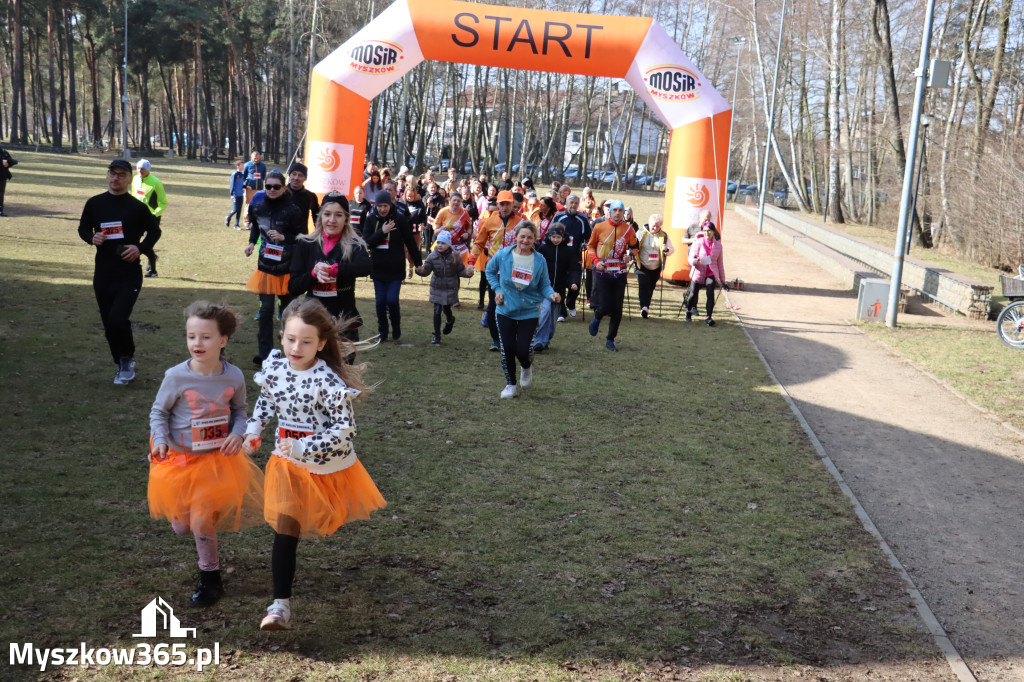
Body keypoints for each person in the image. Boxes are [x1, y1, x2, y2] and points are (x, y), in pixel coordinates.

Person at [243, 298, 386, 631]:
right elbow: (266, 402)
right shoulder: (275, 366)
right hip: (286, 463)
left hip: (324, 465)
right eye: (291, 339)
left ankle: (282, 601)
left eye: (306, 341)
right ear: (281, 336)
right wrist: (254, 431)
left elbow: (344, 432)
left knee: (325, 520)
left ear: (321, 343)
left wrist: (302, 445)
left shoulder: (329, 383)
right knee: (286, 528)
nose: (297, 347)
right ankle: (280, 606)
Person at [147, 301, 264, 608]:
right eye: (191, 336)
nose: (197, 343)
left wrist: (238, 433)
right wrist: (160, 440)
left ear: (222, 340)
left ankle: (210, 578)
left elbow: (239, 411)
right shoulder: (176, 376)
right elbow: (158, 412)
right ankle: (182, 513)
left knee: (201, 519)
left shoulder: (234, 376)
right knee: (182, 527)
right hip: (178, 457)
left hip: (216, 461)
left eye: (206, 337)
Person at [78, 159, 161, 384]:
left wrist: (140, 248)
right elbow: (83, 228)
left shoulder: (137, 207)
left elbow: (155, 232)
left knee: (117, 318)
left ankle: (126, 359)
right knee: (109, 322)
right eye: (112, 173)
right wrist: (91, 237)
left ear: (128, 178)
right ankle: (121, 361)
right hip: (103, 273)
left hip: (129, 274)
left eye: (121, 175)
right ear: (107, 176)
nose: (116, 178)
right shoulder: (95, 203)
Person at [485, 221, 560, 398]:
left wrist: (552, 295)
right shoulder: (504, 255)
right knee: (508, 349)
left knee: (523, 350)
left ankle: (526, 367)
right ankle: (510, 384)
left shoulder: (539, 260)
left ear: (535, 239)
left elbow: (545, 285)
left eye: (529, 237)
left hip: (530, 310)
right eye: (522, 236)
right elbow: (489, 270)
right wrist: (497, 289)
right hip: (506, 309)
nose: (525, 240)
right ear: (516, 237)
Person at [289, 192, 371, 341]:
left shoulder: (354, 244)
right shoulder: (305, 243)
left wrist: (338, 269)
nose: (332, 220)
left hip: (344, 321)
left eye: (338, 215)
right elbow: (294, 287)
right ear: (320, 216)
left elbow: (366, 267)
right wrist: (313, 274)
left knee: (342, 364)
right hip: (313, 320)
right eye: (327, 214)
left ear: (346, 218)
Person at [244, 170, 304, 365]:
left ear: (283, 188)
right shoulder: (258, 208)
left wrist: (284, 238)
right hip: (266, 267)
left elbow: (303, 236)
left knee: (288, 313)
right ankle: (265, 355)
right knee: (266, 311)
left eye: (276, 187)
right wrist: (252, 243)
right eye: (268, 186)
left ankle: (290, 353)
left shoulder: (293, 210)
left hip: (287, 267)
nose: (271, 189)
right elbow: (256, 227)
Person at [361, 189, 422, 341]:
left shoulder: (399, 219)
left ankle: (396, 327)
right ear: (376, 206)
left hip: (395, 269)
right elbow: (366, 242)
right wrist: (382, 231)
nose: (382, 209)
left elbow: (410, 242)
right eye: (380, 206)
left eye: (385, 206)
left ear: (390, 205)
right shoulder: (371, 219)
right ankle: (382, 332)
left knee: (392, 300)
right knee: (380, 302)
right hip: (378, 268)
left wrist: (418, 263)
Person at [472, 190, 526, 351]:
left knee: (515, 304)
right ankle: (496, 339)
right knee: (496, 303)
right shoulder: (489, 222)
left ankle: (512, 337)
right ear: (498, 205)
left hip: (516, 269)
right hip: (494, 269)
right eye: (501, 204)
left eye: (507, 204)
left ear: (512, 204)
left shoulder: (522, 222)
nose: (504, 207)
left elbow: (530, 243)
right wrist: (470, 261)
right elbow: (478, 243)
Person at [587, 200, 638, 351]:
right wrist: (596, 261)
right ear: (609, 212)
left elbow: (635, 247)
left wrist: (630, 256)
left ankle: (610, 339)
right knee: (604, 306)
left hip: (620, 272)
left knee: (617, 308)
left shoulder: (628, 229)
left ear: (623, 213)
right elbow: (590, 246)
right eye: (614, 210)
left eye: (620, 211)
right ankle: (597, 317)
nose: (617, 213)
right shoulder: (599, 226)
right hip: (602, 271)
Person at [416, 231, 474, 344]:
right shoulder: (432, 256)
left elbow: (460, 270)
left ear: (449, 244)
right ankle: (437, 336)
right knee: (437, 311)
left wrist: (467, 273)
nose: (440, 245)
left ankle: (450, 320)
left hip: (450, 287)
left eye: (443, 243)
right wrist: (420, 271)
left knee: (446, 308)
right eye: (438, 242)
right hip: (437, 286)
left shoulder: (455, 256)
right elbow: (426, 270)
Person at [534, 225, 580, 351]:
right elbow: (535, 266)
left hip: (559, 289)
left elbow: (574, 269)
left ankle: (546, 339)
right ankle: (539, 340)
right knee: (546, 311)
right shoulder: (542, 249)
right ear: (549, 236)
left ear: (563, 237)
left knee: (553, 318)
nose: (555, 239)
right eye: (553, 237)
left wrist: (574, 282)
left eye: (558, 237)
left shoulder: (569, 251)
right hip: (544, 289)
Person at [551, 194, 591, 319]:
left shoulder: (582, 219)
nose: (573, 205)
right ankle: (561, 311)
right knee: (559, 283)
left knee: (575, 284)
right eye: (571, 202)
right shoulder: (559, 216)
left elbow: (589, 238)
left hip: (575, 256)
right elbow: (550, 233)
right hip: (560, 255)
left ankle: (570, 302)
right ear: (566, 204)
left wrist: (585, 245)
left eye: (575, 203)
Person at [131, 159, 168, 278]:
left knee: (147, 244)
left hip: (152, 218)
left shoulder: (156, 182)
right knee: (133, 240)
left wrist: (155, 214)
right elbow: (134, 196)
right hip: (137, 216)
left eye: (143, 169)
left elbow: (163, 202)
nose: (140, 171)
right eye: (138, 168)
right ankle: (152, 260)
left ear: (148, 169)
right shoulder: (135, 179)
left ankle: (153, 271)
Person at [686, 221, 726, 326]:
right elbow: (691, 258)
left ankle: (708, 317)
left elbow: (720, 263)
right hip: (698, 271)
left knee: (710, 293)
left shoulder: (718, 246)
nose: (707, 233)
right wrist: (695, 261)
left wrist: (723, 279)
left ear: (713, 232)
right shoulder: (698, 242)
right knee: (693, 294)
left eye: (709, 231)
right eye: (704, 231)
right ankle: (688, 311)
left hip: (711, 272)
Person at [634, 213, 674, 318]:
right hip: (642, 264)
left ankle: (646, 306)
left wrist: (666, 250)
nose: (654, 227)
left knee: (650, 287)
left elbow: (671, 250)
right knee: (643, 284)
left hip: (655, 267)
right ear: (649, 222)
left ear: (660, 226)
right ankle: (644, 308)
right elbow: (632, 245)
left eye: (657, 226)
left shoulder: (663, 236)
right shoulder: (641, 233)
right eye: (653, 225)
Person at [434, 191, 474, 265]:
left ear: (461, 202)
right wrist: (440, 230)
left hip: (459, 245)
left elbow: (469, 227)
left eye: (458, 201)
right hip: (444, 245)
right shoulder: (443, 211)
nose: (456, 202)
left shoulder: (464, 213)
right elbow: (435, 232)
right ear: (450, 200)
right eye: (454, 200)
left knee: (457, 268)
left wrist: (467, 234)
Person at [286, 162, 320, 230]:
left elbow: (317, 217)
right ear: (290, 175)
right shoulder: (281, 194)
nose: (296, 178)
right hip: (281, 237)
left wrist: (319, 235)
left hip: (301, 237)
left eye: (300, 175)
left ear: (305, 178)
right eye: (294, 174)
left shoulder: (310, 196)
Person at [242, 150, 267, 225]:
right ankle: (247, 222)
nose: (256, 160)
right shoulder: (247, 165)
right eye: (255, 158)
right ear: (251, 157)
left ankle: (256, 222)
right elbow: (243, 176)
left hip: (259, 189)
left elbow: (263, 176)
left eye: (258, 158)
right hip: (250, 189)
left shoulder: (263, 166)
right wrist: (246, 186)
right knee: (249, 205)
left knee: (259, 205)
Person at [226, 160, 246, 228]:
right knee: (235, 209)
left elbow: (240, 185)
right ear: (238, 166)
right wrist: (232, 195)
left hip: (241, 194)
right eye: (242, 165)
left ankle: (236, 224)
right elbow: (232, 185)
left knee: (239, 210)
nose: (243, 166)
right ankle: (228, 217)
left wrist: (246, 187)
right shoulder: (234, 174)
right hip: (235, 195)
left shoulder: (242, 174)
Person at [0, 143, 18, 216]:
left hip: (2, 176)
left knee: (1, 195)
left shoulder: (4, 152)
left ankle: (0, 211)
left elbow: (12, 161)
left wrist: (8, 164)